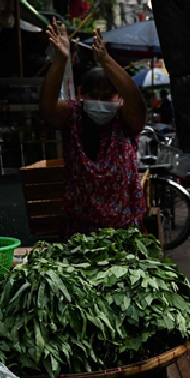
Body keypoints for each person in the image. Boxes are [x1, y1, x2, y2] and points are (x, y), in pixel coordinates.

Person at [40, 22, 146, 240]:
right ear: (81, 95)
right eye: (93, 96)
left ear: (118, 99)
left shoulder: (126, 121)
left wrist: (106, 61)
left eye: (107, 97)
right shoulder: (72, 117)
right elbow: (47, 105)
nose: (100, 102)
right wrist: (60, 60)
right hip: (80, 233)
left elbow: (136, 100)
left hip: (124, 231)